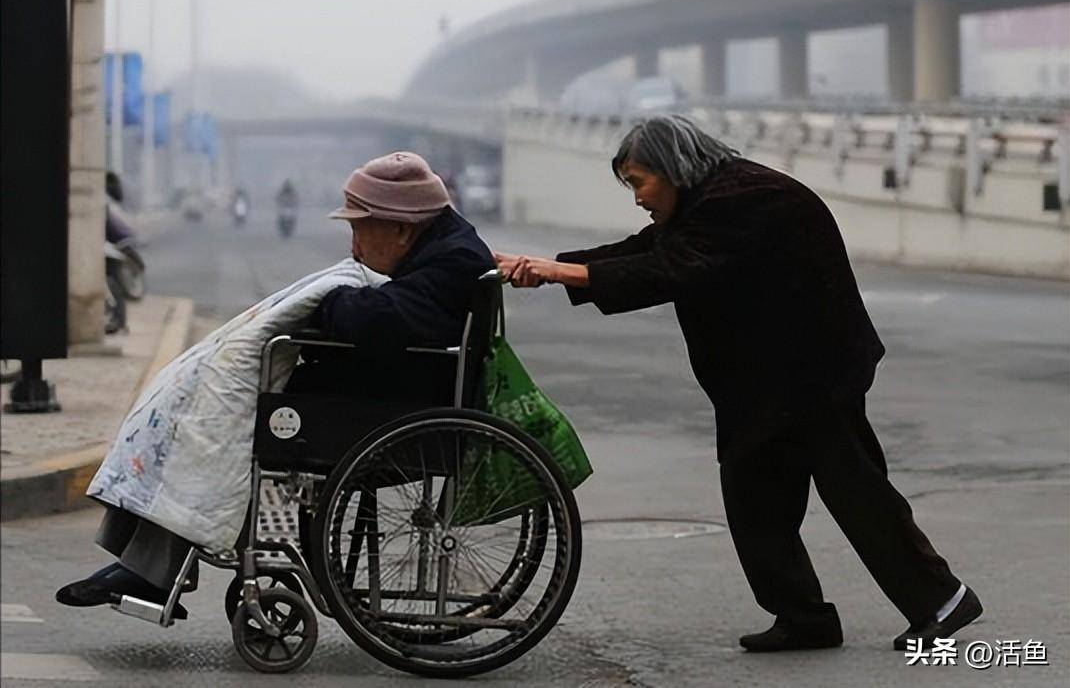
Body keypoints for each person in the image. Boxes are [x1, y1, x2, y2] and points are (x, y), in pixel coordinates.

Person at [496, 115, 981, 652]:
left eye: (638, 182)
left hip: (814, 376)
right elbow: (647, 248)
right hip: (766, 382)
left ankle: (944, 600)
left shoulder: (745, 198)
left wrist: (558, 273)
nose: (636, 198)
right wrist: (547, 266)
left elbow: (670, 269)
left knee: (856, 493)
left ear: (672, 167)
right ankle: (804, 617)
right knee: (755, 500)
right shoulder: (707, 199)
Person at [56, 152, 493, 613]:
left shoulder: (452, 262)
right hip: (383, 393)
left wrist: (325, 302)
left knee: (216, 423)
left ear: (402, 228)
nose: (354, 248)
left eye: (360, 231)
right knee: (202, 411)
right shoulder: (446, 248)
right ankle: (148, 567)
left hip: (392, 409)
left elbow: (372, 321)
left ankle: (152, 571)